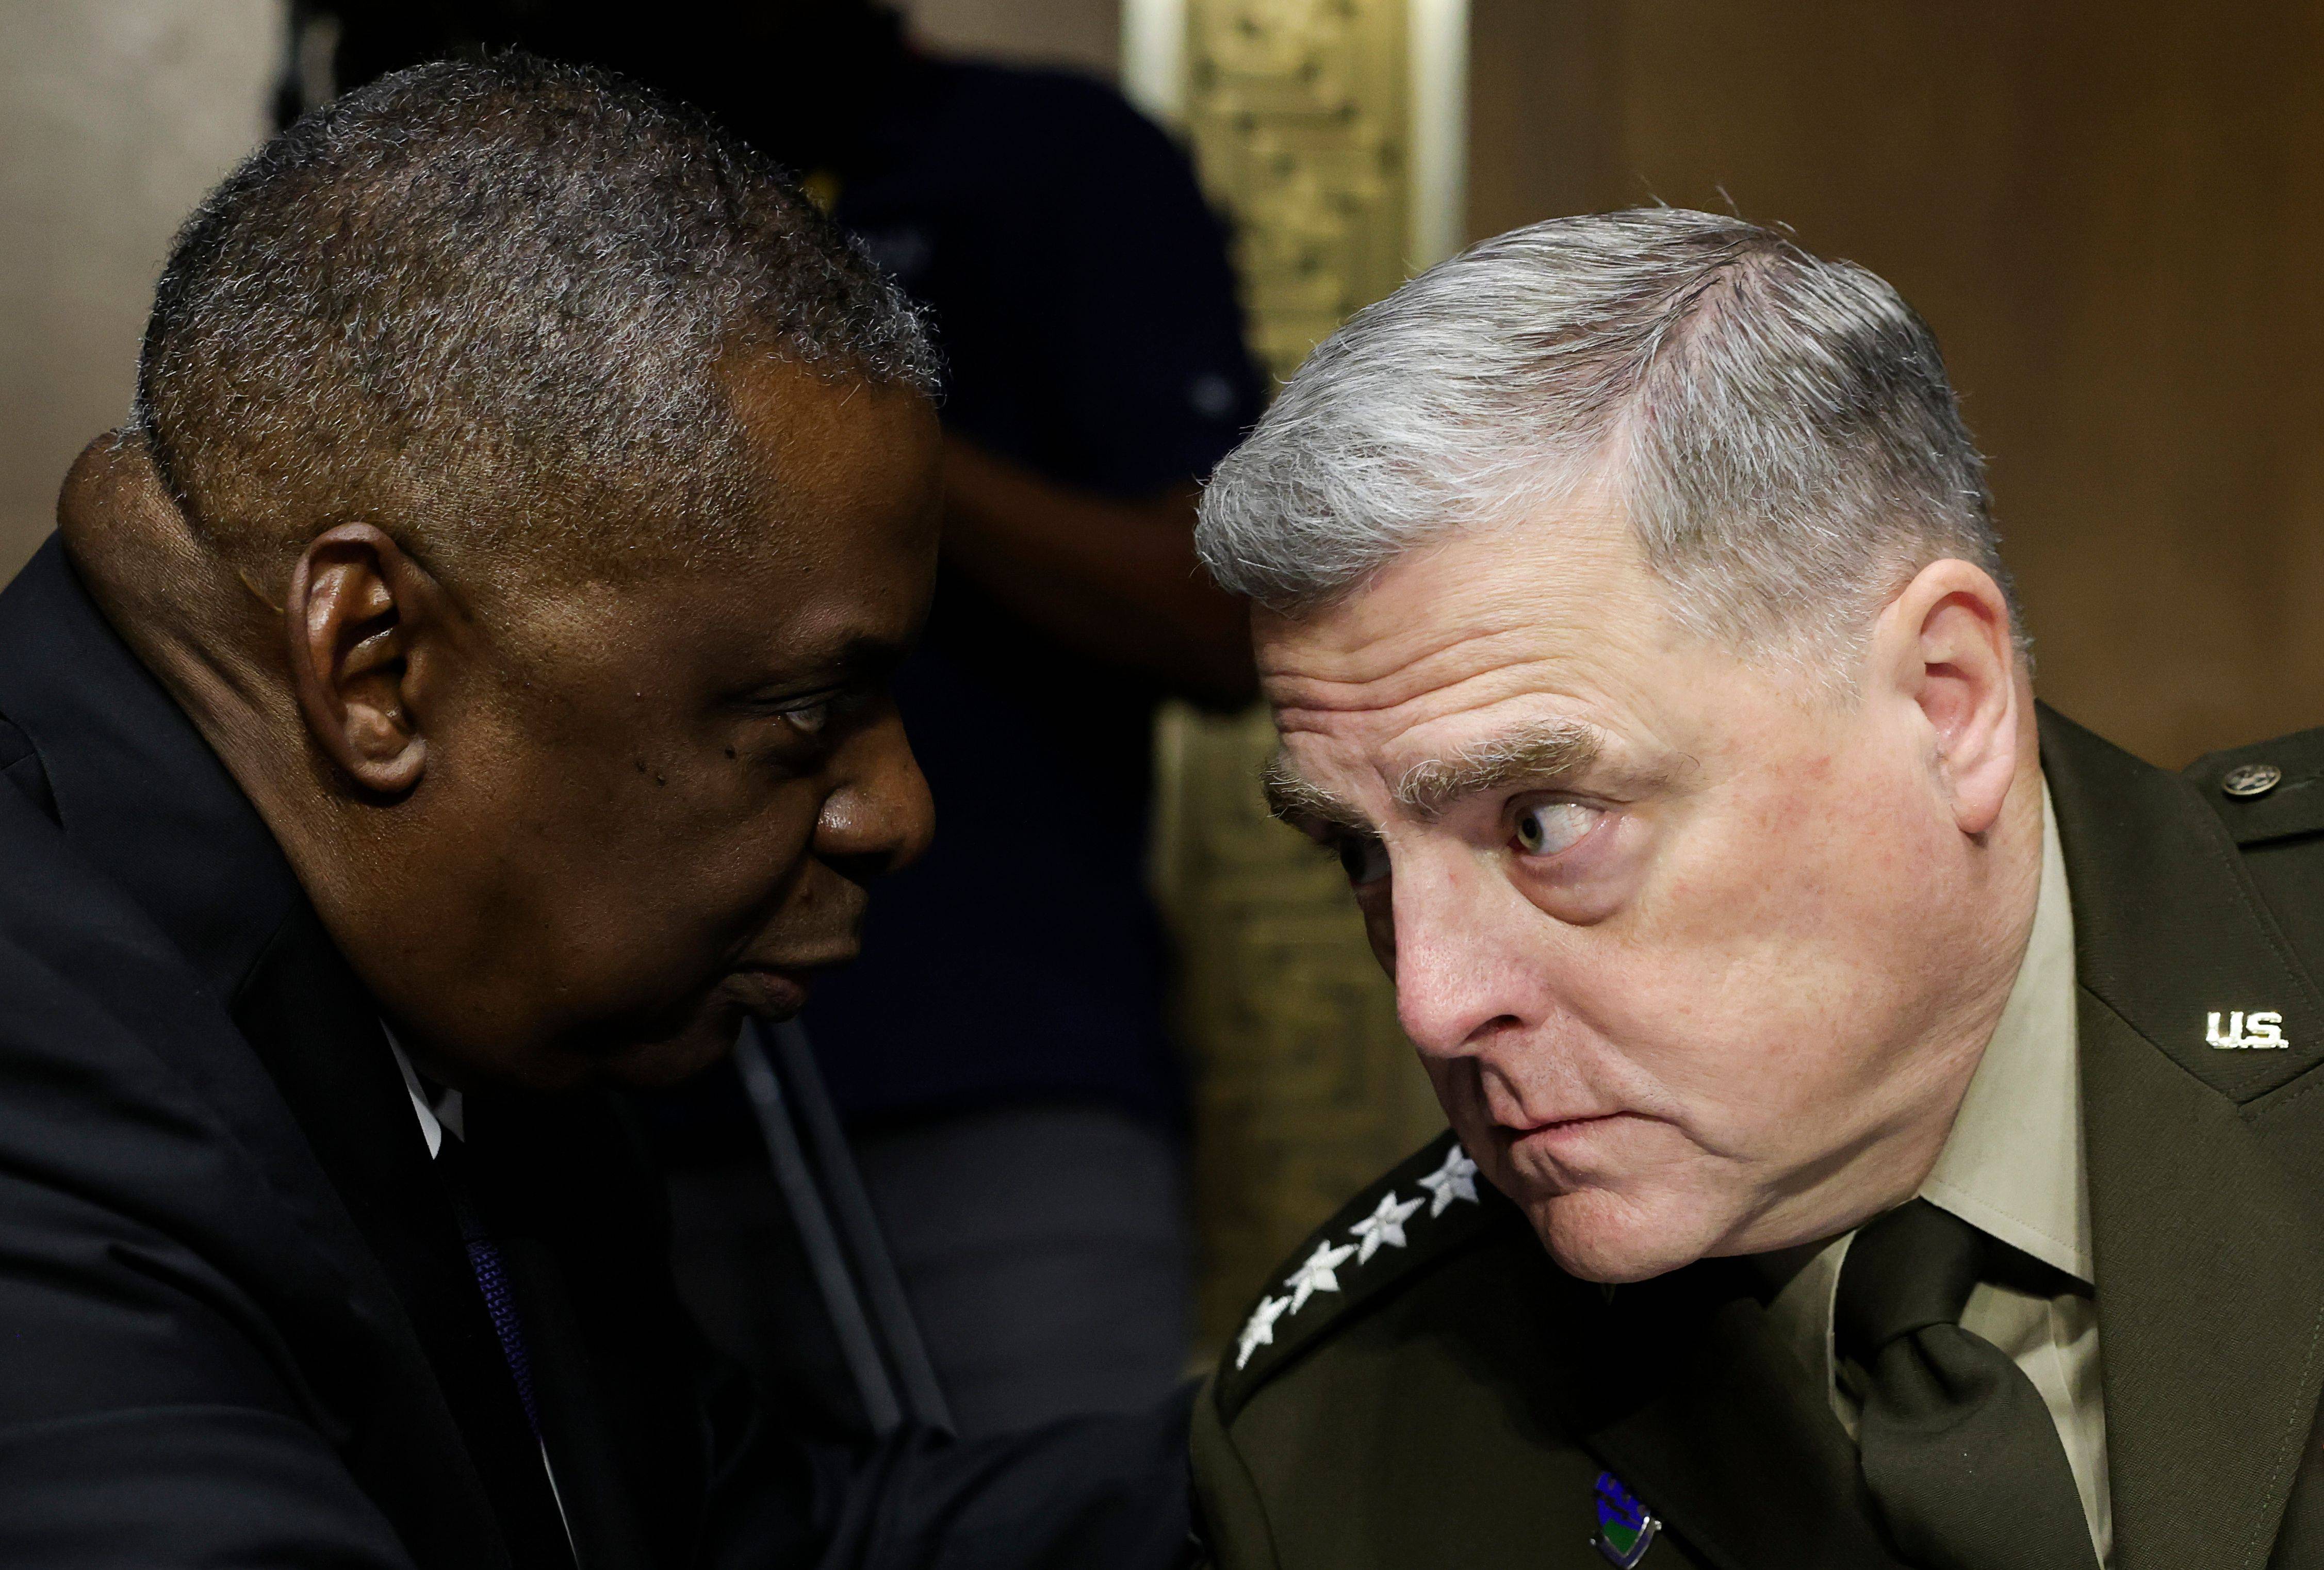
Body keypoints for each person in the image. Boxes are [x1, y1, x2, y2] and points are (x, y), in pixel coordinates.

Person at [0, 55, 1196, 1567]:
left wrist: (1331, 1442)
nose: (896, 813)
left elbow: (759, 1545)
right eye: (801, 708)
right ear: (377, 666)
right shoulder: (37, 1051)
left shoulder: (487, 1013)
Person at [1182, 209, 2324, 1568]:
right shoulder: (1339, 1444)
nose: (1431, 1003)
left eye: (1543, 822)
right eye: (1361, 855)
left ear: (1945, 702)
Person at [321, 0, 1266, 1435]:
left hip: (985, 1074)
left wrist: (828, 436)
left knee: (1050, 1510)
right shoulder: (540, 193)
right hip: (588, 1090)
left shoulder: (1045, 158)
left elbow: (1221, 609)